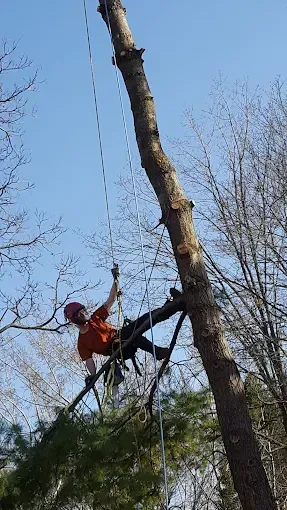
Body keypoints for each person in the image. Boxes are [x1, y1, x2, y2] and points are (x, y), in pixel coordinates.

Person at [64, 269, 173, 380]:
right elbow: (89, 360)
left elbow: (111, 300)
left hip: (120, 336)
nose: (85, 314)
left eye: (84, 311)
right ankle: (158, 350)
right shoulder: (82, 342)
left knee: (140, 325)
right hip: (116, 350)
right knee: (133, 335)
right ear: (74, 319)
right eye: (81, 314)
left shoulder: (95, 318)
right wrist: (92, 375)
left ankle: (168, 309)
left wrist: (115, 279)